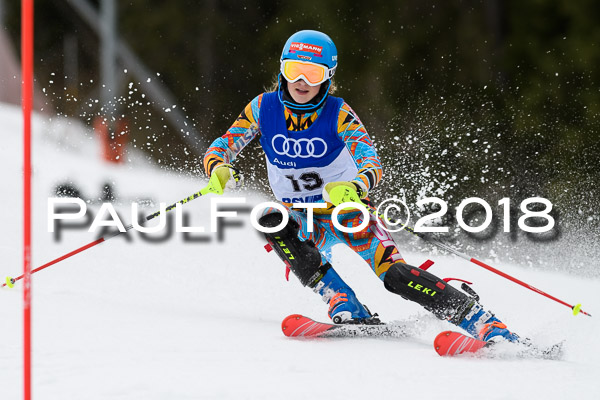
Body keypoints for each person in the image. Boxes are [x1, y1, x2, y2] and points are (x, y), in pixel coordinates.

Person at [203, 30, 518, 342]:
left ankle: (481, 321)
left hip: (347, 212)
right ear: (282, 70)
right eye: (293, 70)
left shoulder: (339, 113)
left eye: (312, 74)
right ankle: (343, 302)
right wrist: (217, 168)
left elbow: (371, 162)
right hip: (303, 219)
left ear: (327, 77)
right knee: (270, 220)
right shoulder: (262, 108)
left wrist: (354, 186)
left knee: (395, 276)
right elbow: (222, 146)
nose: (302, 81)